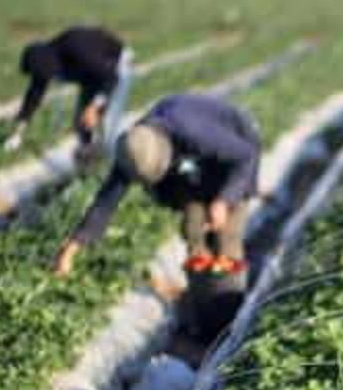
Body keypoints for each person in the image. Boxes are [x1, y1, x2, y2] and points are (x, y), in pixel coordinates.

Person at [52, 93, 260, 282]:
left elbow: (245, 156)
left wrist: (224, 200)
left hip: (236, 151)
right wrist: (72, 248)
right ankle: (200, 286)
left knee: (228, 237)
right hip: (193, 164)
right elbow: (105, 203)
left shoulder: (193, 132)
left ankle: (230, 295)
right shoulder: (132, 149)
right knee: (193, 228)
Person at [4, 26, 132, 153]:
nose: (48, 78)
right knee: (82, 122)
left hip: (114, 64)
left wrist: (94, 107)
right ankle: (89, 157)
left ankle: (117, 158)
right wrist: (17, 134)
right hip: (90, 74)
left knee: (107, 121)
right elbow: (33, 97)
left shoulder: (78, 50)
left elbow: (110, 77)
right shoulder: (43, 63)